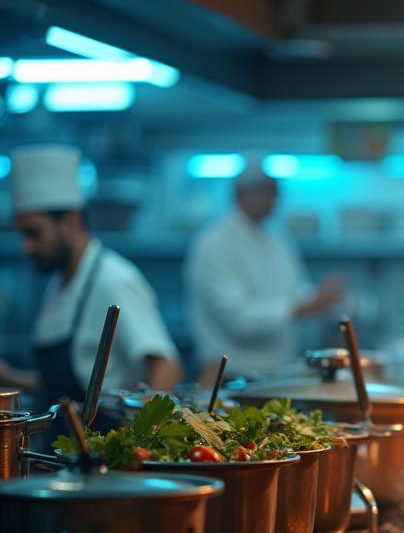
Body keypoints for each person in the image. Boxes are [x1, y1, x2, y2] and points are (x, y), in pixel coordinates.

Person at [0, 144, 181, 408]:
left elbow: (167, 367)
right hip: (61, 445)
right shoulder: (58, 284)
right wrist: (9, 376)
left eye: (34, 233)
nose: (26, 247)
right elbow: (64, 389)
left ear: (71, 222)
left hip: (100, 443)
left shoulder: (114, 279)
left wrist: (139, 439)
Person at [184, 161, 343, 381]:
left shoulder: (278, 239)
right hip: (228, 378)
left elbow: (297, 292)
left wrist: (325, 301)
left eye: (275, 194)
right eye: (266, 193)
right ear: (240, 195)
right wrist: (307, 307)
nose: (274, 201)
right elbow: (239, 321)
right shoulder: (214, 244)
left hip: (278, 374)